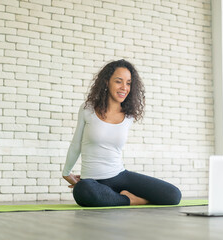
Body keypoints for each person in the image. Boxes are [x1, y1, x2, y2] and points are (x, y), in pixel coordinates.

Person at [62, 59, 182, 207]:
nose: (124, 87)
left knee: (173, 195)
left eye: (128, 83)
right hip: (92, 181)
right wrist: (67, 172)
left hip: (119, 176)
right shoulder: (88, 108)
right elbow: (76, 144)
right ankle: (131, 200)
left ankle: (117, 199)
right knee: (82, 190)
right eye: (119, 81)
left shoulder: (129, 115)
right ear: (106, 82)